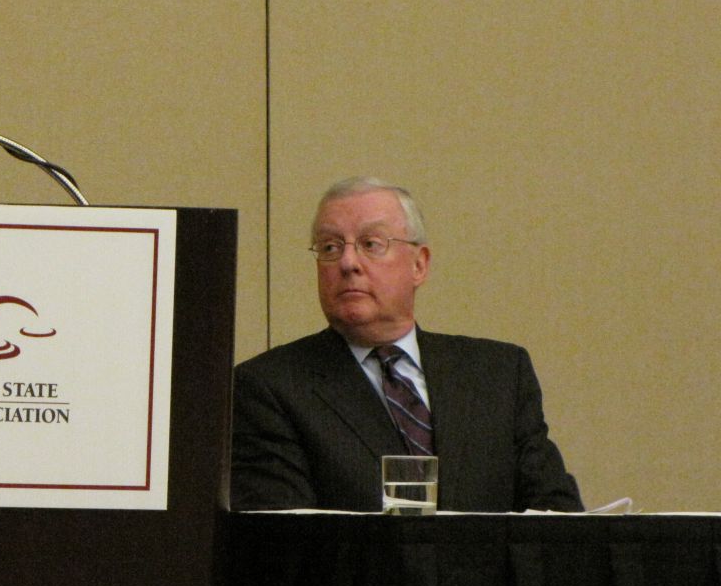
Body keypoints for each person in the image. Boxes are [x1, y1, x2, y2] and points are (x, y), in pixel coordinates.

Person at [231, 176, 582, 513]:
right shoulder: (270, 387)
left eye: (371, 244)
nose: (348, 263)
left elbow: (556, 515)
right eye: (330, 248)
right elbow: (282, 540)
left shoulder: (498, 374)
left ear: (419, 264)